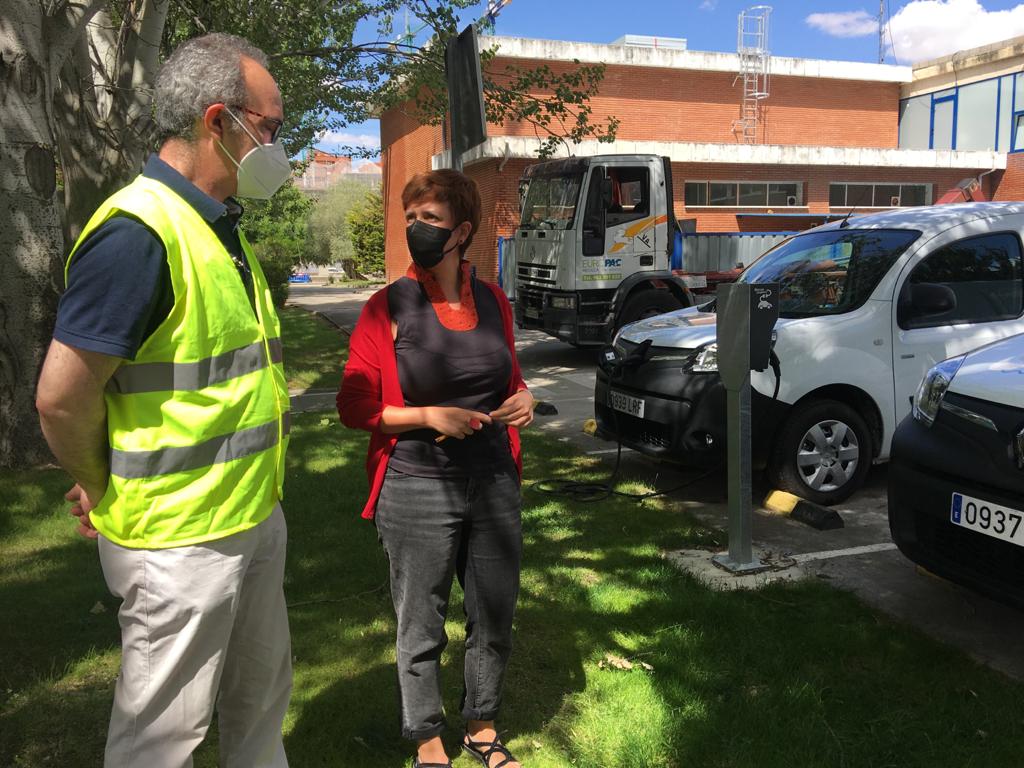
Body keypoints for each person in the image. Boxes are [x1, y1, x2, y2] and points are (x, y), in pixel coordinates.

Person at [35, 33, 293, 768]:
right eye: (271, 127)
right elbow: (60, 400)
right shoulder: (138, 234)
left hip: (251, 516)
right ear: (219, 121)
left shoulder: (216, 224)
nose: (278, 146)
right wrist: (98, 482)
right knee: (161, 742)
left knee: (259, 709)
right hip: (179, 544)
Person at [338, 170, 534, 768]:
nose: (417, 229)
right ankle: (427, 739)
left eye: (431, 219)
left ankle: (482, 727)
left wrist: (523, 397)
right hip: (417, 485)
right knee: (421, 621)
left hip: (493, 480)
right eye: (412, 217)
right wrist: (428, 416)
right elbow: (354, 406)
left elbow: (509, 377)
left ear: (462, 231)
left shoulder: (494, 301)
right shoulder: (387, 306)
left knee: (493, 612)